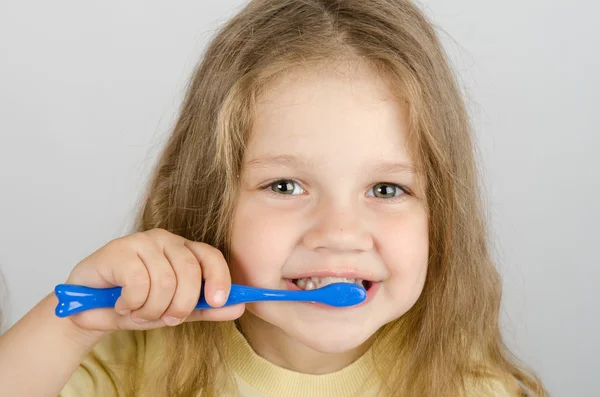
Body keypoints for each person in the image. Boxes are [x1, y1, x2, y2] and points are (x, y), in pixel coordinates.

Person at [0, 0, 549, 396]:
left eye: (387, 188)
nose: (339, 231)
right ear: (209, 199)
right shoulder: (129, 366)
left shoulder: (473, 389)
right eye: (285, 186)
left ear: (442, 219)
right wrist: (70, 321)